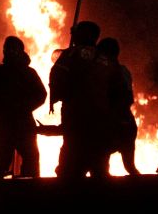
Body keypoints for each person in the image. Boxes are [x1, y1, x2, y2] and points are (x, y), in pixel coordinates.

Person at [49, 21, 124, 178]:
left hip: (76, 120)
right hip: (101, 121)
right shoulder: (106, 60)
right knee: (100, 169)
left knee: (71, 169)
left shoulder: (70, 55)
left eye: (76, 32)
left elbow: (56, 78)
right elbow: (118, 90)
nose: (74, 35)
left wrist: (59, 95)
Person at [0, 36, 47, 178]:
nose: (8, 51)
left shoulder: (29, 73)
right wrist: (0, 106)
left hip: (22, 125)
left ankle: (34, 193)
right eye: (6, 49)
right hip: (3, 126)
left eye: (12, 49)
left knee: (30, 162)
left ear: (20, 51)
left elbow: (41, 95)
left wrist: (23, 107)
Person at [97, 37, 140, 175]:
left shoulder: (103, 72)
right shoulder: (124, 71)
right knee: (129, 166)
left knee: (102, 168)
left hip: (110, 123)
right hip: (126, 122)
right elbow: (129, 98)